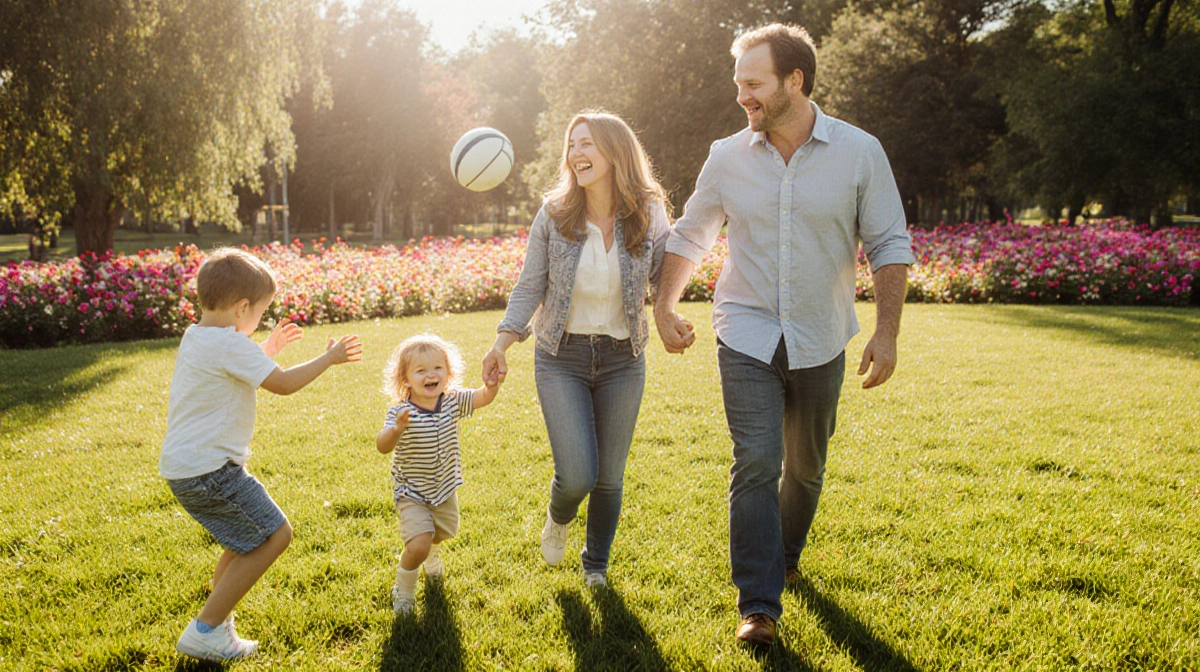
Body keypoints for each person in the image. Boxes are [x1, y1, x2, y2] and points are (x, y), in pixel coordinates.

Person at [653, 24, 916, 648]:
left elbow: (888, 244)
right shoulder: (727, 156)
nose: (742, 96)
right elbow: (691, 235)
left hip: (823, 334)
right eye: (738, 84)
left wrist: (887, 333)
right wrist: (663, 305)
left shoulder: (859, 152)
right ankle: (760, 604)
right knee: (757, 461)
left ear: (794, 81)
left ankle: (787, 554)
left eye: (753, 84)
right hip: (744, 330)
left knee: (805, 469)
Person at [481, 111, 671, 588]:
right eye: (573, 145)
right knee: (578, 474)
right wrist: (502, 343)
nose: (576, 154)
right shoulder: (554, 214)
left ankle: (596, 566)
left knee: (609, 475)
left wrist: (671, 315)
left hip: (623, 360)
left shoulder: (647, 212)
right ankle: (559, 515)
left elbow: (665, 275)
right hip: (560, 357)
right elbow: (530, 287)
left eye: (586, 143)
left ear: (615, 150)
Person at [160, 247, 363, 661]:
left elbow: (235, 369)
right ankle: (204, 629)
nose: (258, 322)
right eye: (260, 312)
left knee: (241, 541)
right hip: (211, 471)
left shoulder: (198, 336)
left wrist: (264, 350)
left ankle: (217, 630)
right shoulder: (233, 346)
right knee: (275, 534)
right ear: (242, 307)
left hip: (186, 469)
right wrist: (329, 357)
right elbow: (284, 385)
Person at [376, 333, 502, 615]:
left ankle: (431, 553)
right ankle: (404, 593)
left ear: (448, 373)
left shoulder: (453, 401)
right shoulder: (401, 412)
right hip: (412, 492)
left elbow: (482, 398)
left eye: (437, 368)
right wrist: (396, 430)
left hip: (444, 488)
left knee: (438, 536)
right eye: (421, 371)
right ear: (406, 379)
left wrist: (491, 386)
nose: (431, 375)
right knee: (418, 543)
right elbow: (382, 445)